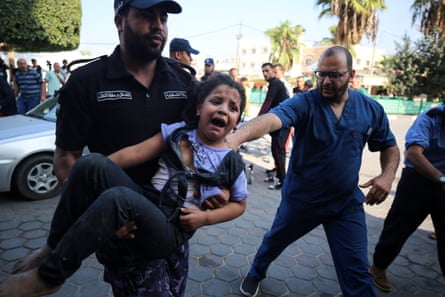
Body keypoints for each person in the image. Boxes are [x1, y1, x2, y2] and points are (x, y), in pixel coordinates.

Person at [5, 1, 224, 296]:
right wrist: (106, 216)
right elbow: (67, 159)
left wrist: (218, 187)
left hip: (175, 216)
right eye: (147, 15)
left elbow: (210, 141)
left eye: (163, 17)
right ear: (120, 20)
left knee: (175, 287)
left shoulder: (183, 80)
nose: (158, 25)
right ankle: (52, 255)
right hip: (120, 224)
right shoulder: (86, 81)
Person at [0, 74, 248, 297]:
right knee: (90, 163)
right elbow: (136, 152)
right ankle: (51, 247)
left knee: (118, 197)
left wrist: (205, 219)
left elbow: (240, 205)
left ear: (236, 121)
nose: (223, 110)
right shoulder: (178, 133)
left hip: (172, 228)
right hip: (146, 200)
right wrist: (92, 175)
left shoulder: (231, 161)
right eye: (216, 102)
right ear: (198, 108)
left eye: (233, 107)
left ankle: (50, 276)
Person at [226, 46, 400, 297]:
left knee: (358, 276)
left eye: (334, 75)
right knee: (275, 241)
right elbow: (273, 119)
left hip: (345, 204)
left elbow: (390, 148)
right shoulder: (304, 102)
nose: (326, 81)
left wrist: (386, 175)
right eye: (321, 74)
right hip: (302, 200)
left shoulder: (370, 109)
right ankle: (256, 272)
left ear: (350, 75)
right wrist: (236, 137)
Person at [370, 105, 445, 293]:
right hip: (418, 180)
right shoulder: (430, 117)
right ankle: (378, 268)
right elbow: (413, 154)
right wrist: (441, 178)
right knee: (397, 229)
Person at [258, 62, 290, 190]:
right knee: (277, 151)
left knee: (278, 151)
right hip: (280, 122)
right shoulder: (274, 84)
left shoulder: (276, 84)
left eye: (267, 71)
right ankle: (282, 178)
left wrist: (258, 119)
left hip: (282, 123)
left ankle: (283, 181)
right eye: (263, 71)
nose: (265, 73)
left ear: (273, 71)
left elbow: (268, 103)